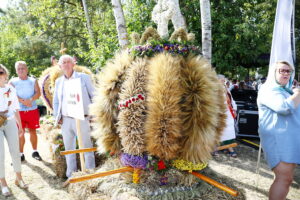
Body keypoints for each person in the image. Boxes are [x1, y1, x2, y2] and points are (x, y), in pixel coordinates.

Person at [257, 61, 300, 200]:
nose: (286, 73)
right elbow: (284, 108)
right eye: (282, 70)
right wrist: (298, 92)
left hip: (290, 139)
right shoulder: (268, 89)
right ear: (273, 72)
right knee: (284, 178)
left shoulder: (285, 90)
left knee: (286, 178)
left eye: (288, 71)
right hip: (278, 140)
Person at [53, 55, 95, 180]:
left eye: (68, 62)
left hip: (82, 118)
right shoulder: (59, 81)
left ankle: (90, 172)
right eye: (63, 63)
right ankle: (71, 174)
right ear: (60, 66)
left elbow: (94, 95)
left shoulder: (83, 78)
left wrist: (94, 114)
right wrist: (57, 116)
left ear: (73, 64)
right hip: (66, 119)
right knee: (69, 148)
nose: (66, 64)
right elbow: (56, 101)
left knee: (86, 146)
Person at [0, 64, 27, 197]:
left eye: (1, 72)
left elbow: (16, 108)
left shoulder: (11, 88)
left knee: (15, 151)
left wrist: (20, 126)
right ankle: (3, 183)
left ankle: (19, 177)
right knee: (0, 154)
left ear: (5, 74)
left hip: (10, 121)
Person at [10, 61, 42, 162]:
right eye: (18, 69)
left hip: (32, 110)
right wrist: (22, 101)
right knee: (20, 132)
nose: (21, 70)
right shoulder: (13, 82)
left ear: (27, 69)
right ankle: (21, 154)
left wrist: (30, 100)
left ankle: (35, 151)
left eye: (22, 68)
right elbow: (11, 94)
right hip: (18, 112)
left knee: (33, 131)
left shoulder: (33, 80)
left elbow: (38, 93)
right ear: (16, 70)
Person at [213, 75, 237, 157]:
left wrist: (235, 109)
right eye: (222, 81)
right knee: (218, 130)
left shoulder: (227, 90)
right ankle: (214, 149)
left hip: (229, 113)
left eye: (224, 81)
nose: (223, 82)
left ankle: (228, 147)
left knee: (229, 131)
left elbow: (232, 101)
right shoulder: (214, 90)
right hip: (219, 113)